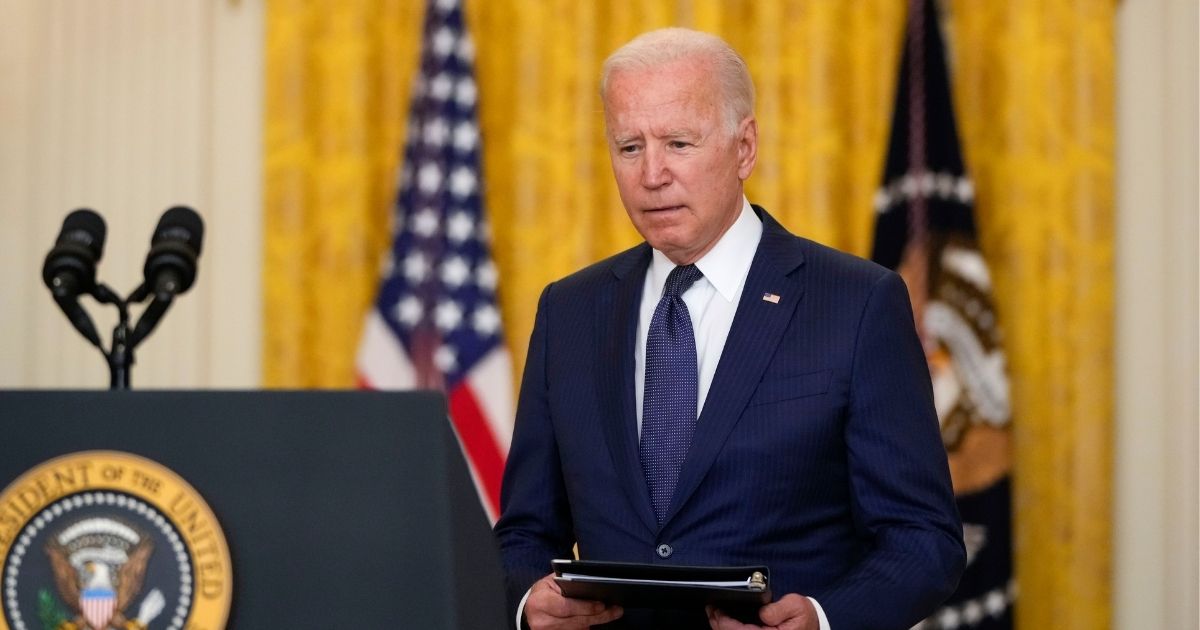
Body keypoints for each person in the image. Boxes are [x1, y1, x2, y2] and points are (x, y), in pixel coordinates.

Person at [494, 27, 965, 630]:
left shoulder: (857, 303)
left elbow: (923, 538)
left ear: (744, 148)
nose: (652, 174)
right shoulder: (569, 311)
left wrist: (824, 619)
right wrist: (525, 599)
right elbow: (524, 532)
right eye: (629, 147)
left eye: (679, 143)